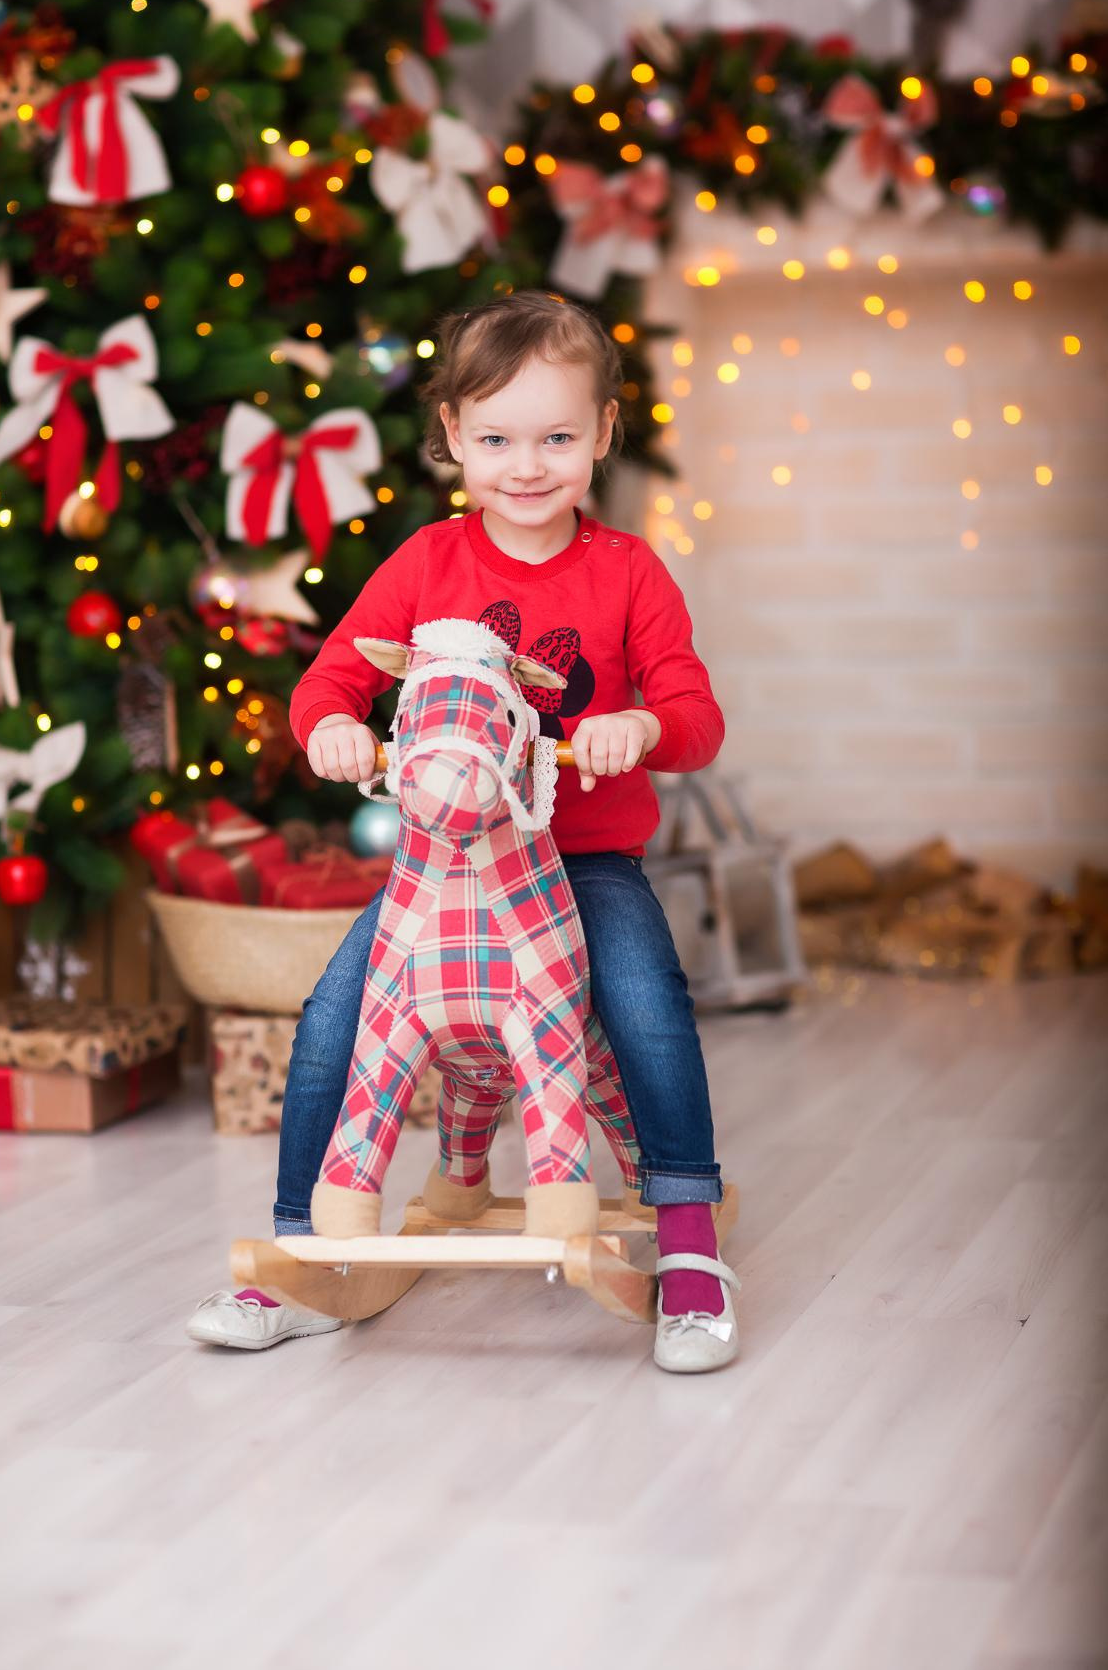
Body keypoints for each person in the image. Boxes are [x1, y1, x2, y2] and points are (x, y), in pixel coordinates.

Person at [187, 290, 741, 1372]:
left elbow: (696, 714)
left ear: (604, 432)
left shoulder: (628, 570)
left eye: (556, 438)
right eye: (494, 440)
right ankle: (302, 1244)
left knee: (643, 998)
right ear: (450, 432)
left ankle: (686, 1237)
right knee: (335, 1012)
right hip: (447, 868)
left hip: (582, 859)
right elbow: (328, 682)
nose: (525, 467)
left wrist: (639, 724)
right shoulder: (425, 565)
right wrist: (334, 728)